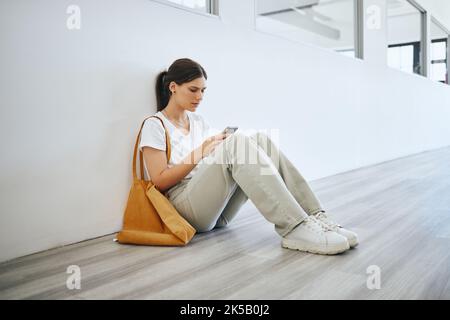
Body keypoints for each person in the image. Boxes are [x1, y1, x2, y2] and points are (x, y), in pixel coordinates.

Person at [139, 58, 358, 255]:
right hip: (186, 210)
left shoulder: (198, 122)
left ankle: (315, 216)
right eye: (193, 90)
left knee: (261, 140)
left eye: (204, 91)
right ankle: (295, 227)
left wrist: (216, 148)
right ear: (173, 87)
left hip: (216, 211)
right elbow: (159, 181)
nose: (200, 97)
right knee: (238, 143)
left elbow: (208, 165)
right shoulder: (154, 125)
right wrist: (200, 152)